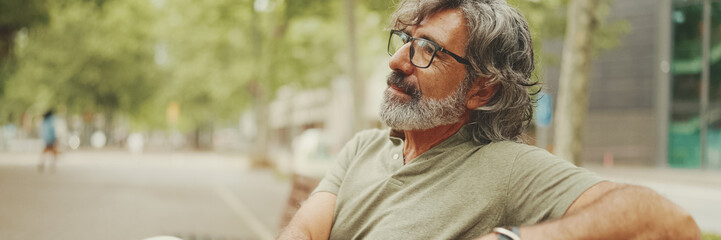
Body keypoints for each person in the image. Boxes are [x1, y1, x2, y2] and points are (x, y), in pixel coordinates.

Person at [278, 0, 701, 239]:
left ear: (483, 89)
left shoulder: (506, 166)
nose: (397, 59)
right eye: (405, 40)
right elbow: (304, 233)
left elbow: (668, 222)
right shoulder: (362, 148)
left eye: (427, 49)